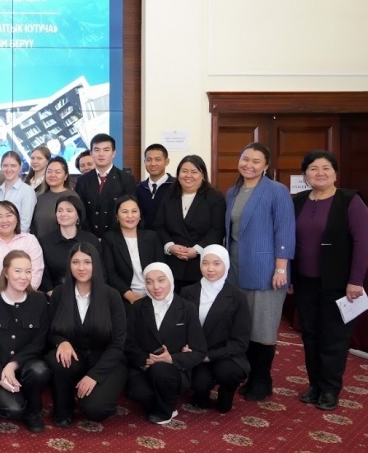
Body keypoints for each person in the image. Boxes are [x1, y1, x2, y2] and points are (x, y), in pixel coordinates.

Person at [292, 150, 368, 411]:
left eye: (326, 168)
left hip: (339, 283)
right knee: (310, 335)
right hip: (304, 281)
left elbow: (363, 244)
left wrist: (356, 280)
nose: (320, 173)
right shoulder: (298, 201)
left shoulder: (350, 201)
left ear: (335, 173)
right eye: (313, 168)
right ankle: (315, 385)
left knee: (334, 338)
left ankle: (330, 389)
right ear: (305, 174)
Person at [225, 142, 295, 401]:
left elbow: (285, 230)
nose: (249, 165)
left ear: (266, 166)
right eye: (245, 159)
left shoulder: (277, 191)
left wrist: (281, 268)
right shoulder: (233, 191)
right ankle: (248, 374)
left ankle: (262, 379)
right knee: (243, 326)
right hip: (235, 269)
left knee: (263, 328)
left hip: (266, 271)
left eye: (256, 161)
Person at [44, 243, 127, 427]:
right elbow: (49, 331)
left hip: (106, 361)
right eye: (75, 262)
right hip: (75, 358)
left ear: (95, 264)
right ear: (69, 265)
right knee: (57, 358)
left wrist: (94, 376)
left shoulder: (112, 295)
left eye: (87, 262)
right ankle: (64, 408)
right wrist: (61, 341)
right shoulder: (59, 293)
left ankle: (94, 397)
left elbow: (118, 344)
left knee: (95, 410)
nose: (81, 267)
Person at [0, 250, 50, 433]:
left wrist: (13, 364)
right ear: (6, 273)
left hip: (26, 365)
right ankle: (17, 401)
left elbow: (39, 342)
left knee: (40, 371)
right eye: (18, 271)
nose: (24, 277)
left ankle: (34, 411)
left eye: (28, 271)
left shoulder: (39, 300)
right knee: (13, 410)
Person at [125, 262, 207, 424]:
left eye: (161, 280)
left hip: (173, 370)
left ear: (170, 279)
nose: (156, 287)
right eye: (149, 282)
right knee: (138, 393)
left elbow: (199, 350)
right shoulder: (138, 307)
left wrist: (172, 359)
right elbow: (128, 343)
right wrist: (144, 359)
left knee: (161, 369)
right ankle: (161, 400)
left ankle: (165, 410)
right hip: (143, 367)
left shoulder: (187, 308)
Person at [180, 245, 250, 413]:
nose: (210, 269)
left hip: (227, 354)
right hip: (197, 352)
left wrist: (210, 356)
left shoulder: (237, 297)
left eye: (216, 263)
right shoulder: (187, 292)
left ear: (226, 264)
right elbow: (180, 326)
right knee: (199, 384)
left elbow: (240, 342)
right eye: (205, 263)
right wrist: (185, 346)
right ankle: (202, 393)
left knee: (227, 373)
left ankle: (227, 392)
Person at [153, 155, 227, 293]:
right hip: (172, 263)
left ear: (203, 175)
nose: (188, 175)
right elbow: (159, 226)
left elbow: (217, 229)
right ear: (178, 174)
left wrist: (196, 250)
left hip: (200, 264)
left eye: (194, 172)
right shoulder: (169, 195)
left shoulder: (214, 197)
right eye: (184, 171)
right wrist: (170, 246)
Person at [102, 196, 165, 303]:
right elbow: (111, 273)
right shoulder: (109, 239)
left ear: (140, 215)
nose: (130, 216)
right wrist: (130, 296)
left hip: (154, 293)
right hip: (124, 296)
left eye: (134, 211)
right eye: (125, 212)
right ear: (117, 216)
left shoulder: (152, 237)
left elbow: (161, 267)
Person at [74, 133, 137, 239]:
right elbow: (80, 211)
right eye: (97, 150)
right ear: (91, 153)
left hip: (117, 237)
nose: (101, 154)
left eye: (106, 150)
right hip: (89, 237)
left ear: (113, 153)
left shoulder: (126, 179)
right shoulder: (82, 181)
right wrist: (90, 236)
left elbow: (129, 211)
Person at [0, 201, 44, 293]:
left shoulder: (30, 240)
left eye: (9, 215)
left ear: (17, 219)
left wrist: (21, 293)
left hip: (25, 295)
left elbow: (36, 272)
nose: (4, 220)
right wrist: (3, 294)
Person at [37, 195, 99, 293]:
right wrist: (53, 294)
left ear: (78, 215)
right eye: (60, 210)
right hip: (56, 294)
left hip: (88, 293)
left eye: (69, 211)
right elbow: (44, 275)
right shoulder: (45, 241)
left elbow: (100, 270)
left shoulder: (91, 240)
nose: (63, 214)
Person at [31, 156, 84, 236]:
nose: (52, 175)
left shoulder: (72, 197)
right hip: (38, 242)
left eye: (57, 172)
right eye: (49, 171)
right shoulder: (39, 197)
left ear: (65, 176)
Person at [0, 151, 37, 234]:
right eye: (5, 165)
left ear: (20, 167)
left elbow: (25, 224)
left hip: (19, 239)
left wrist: (11, 239)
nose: (9, 169)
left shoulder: (27, 191)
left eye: (13, 166)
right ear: (1, 167)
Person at [134, 144, 174, 228]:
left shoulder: (176, 186)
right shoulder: (139, 188)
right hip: (144, 235)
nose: (153, 163)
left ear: (167, 161)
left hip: (170, 236)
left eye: (157, 159)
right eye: (149, 160)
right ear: (144, 162)